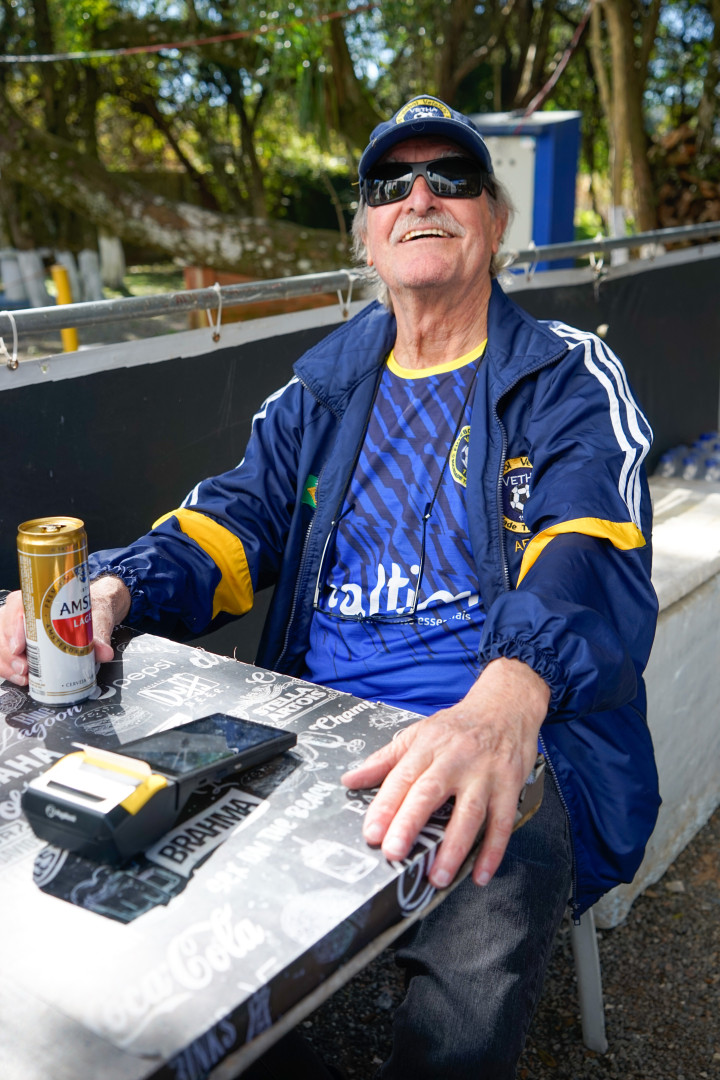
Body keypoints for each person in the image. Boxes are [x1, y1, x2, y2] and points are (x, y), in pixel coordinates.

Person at [0, 95, 660, 1078]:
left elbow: (589, 547)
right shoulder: (323, 389)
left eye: (452, 178)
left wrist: (505, 700)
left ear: (495, 221)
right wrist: (110, 589)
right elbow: (230, 525)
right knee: (136, 900)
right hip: (311, 724)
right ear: (365, 232)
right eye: (391, 184)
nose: (420, 197)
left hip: (503, 721)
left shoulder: (565, 375)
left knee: (487, 884)